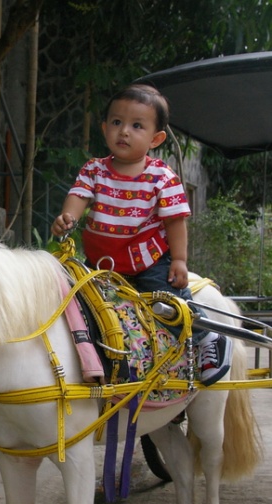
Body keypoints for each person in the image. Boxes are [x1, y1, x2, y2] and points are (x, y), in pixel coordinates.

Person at [51, 83, 232, 386]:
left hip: (147, 261)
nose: (124, 132)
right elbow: (78, 197)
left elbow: (175, 221)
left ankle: (206, 338)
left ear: (156, 138)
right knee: (76, 305)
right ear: (105, 127)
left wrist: (179, 260)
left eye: (137, 126)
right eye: (117, 122)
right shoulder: (94, 170)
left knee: (169, 304)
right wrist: (67, 218)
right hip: (101, 263)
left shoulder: (162, 176)